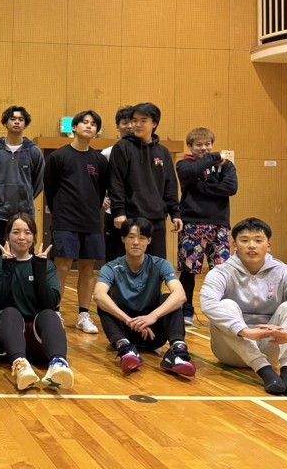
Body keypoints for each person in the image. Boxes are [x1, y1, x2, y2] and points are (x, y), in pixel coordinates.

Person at [200, 218, 287, 396]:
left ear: (268, 246)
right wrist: (244, 331)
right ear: (234, 245)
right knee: (226, 305)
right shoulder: (221, 272)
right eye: (245, 240)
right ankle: (264, 370)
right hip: (230, 351)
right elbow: (207, 303)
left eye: (258, 240)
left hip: (270, 346)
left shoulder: (285, 272)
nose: (251, 245)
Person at [92, 217, 195, 376]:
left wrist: (152, 317)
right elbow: (98, 295)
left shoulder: (160, 264)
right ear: (123, 239)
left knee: (170, 299)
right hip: (124, 330)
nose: (136, 242)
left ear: (149, 240)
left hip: (153, 332)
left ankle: (178, 351)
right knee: (105, 302)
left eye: (141, 238)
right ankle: (125, 349)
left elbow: (180, 295)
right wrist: (129, 320)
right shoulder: (111, 267)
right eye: (131, 237)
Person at [0, 213, 74, 390]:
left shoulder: (46, 265)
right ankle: (21, 365)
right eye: (16, 232)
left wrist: (39, 271)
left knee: (49, 314)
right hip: (7, 338)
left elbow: (50, 303)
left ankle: (58, 364)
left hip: (38, 339)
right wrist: (8, 269)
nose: (22, 237)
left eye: (27, 232)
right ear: (7, 236)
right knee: (10, 312)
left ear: (34, 237)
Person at [43, 110, 108, 334]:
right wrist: (60, 213)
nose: (89, 126)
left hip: (91, 221)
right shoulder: (59, 157)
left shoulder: (99, 160)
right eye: (85, 122)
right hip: (65, 220)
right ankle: (56, 311)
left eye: (93, 124)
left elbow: (101, 191)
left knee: (88, 267)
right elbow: (50, 189)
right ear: (74, 127)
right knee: (62, 265)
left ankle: (83, 315)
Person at [176, 127, 238, 325]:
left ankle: (219, 310)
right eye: (199, 145)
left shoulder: (226, 166)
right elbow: (191, 173)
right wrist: (214, 157)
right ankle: (186, 310)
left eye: (208, 144)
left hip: (220, 224)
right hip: (192, 223)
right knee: (189, 270)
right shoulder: (184, 164)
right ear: (190, 147)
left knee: (221, 270)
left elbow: (231, 188)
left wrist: (201, 187)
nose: (204, 148)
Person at [107, 102, 182, 260]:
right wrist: (119, 211)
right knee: (125, 265)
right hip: (130, 217)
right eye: (134, 120)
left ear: (154, 123)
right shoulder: (122, 147)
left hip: (157, 218)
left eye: (143, 120)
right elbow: (116, 182)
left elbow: (170, 184)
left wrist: (175, 213)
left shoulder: (163, 152)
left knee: (156, 264)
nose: (137, 124)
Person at [0, 105, 45, 260]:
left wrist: (25, 195)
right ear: (5, 123)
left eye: (21, 119)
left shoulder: (34, 152)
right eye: (13, 119)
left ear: (25, 124)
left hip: (24, 215)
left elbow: (38, 183)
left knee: (23, 259)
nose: (17, 122)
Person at [102, 106, 134, 262]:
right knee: (114, 257)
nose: (129, 126)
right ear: (118, 126)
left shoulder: (147, 151)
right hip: (114, 213)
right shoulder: (107, 152)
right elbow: (98, 181)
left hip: (139, 212)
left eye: (132, 122)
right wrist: (102, 198)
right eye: (125, 122)